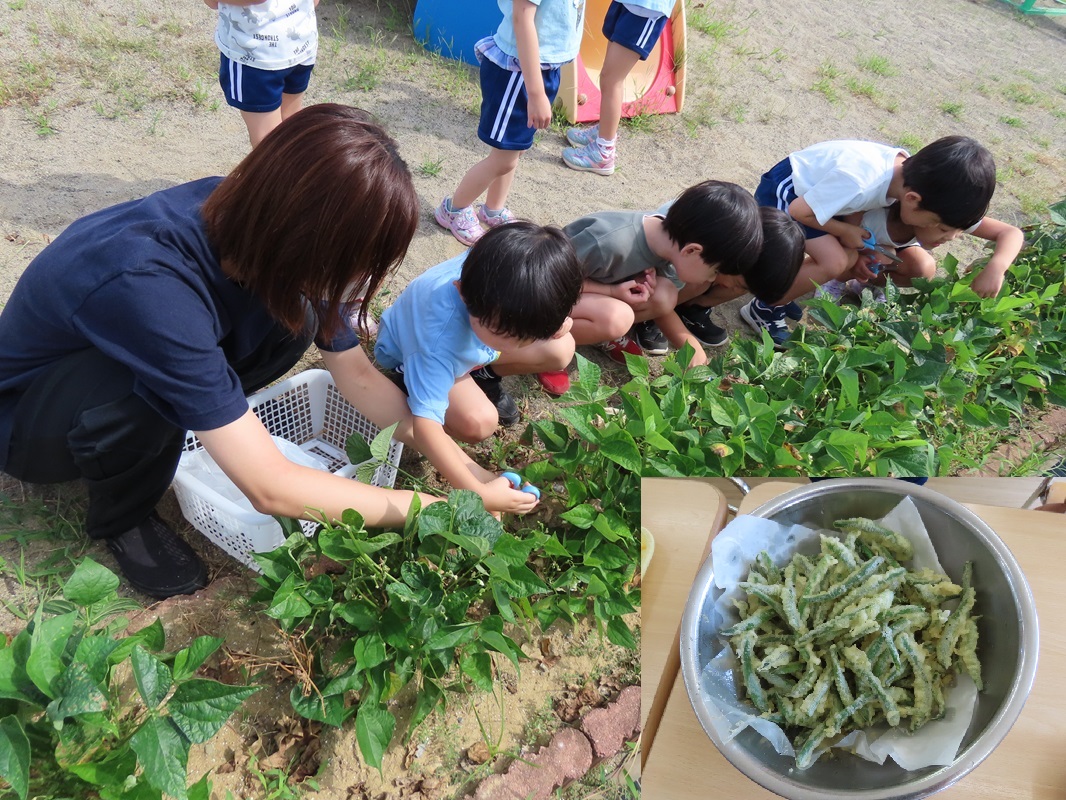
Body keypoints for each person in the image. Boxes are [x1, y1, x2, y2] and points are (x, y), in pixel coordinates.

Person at [0, 105, 438, 599]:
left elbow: (355, 373)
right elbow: (269, 487)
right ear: (306, 241)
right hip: (27, 422)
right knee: (152, 392)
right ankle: (123, 518)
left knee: (296, 320)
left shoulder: (257, 217)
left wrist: (461, 469)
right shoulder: (151, 286)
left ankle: (202, 413)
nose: (354, 284)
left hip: (113, 363)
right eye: (347, 266)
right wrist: (425, 510)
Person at [374, 222, 582, 507]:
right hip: (408, 354)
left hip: (467, 346)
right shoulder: (437, 340)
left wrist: (556, 326)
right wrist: (477, 493)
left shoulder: (506, 265)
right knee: (478, 422)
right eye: (504, 334)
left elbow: (534, 325)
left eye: (526, 336)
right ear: (461, 292)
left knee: (562, 348)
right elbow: (425, 427)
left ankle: (479, 372)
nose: (515, 346)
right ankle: (410, 383)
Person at [741, 135, 997, 347]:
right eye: (934, 224)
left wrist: (852, 234)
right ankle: (764, 307)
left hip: (815, 200)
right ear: (912, 200)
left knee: (845, 256)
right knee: (835, 260)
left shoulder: (905, 175)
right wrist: (843, 231)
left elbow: (857, 205)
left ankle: (783, 295)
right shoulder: (864, 181)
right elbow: (799, 211)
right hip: (785, 193)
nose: (937, 233)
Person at [535, 181, 777, 394]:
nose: (712, 280)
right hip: (545, 293)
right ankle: (544, 344)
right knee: (617, 318)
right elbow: (546, 281)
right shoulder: (609, 243)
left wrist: (689, 347)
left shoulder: (669, 247)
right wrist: (610, 293)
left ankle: (593, 333)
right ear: (692, 250)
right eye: (714, 271)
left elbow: (662, 305)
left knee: (664, 294)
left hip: (585, 293)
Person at [435, 0, 586, 246]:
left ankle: (493, 208)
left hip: (544, 67)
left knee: (515, 148)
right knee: (504, 157)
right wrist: (535, 93)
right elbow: (522, 18)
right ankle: (454, 209)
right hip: (519, 72)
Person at [562, 0, 674, 176]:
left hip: (646, 10)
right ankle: (605, 129)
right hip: (629, 4)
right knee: (608, 74)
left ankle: (603, 152)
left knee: (612, 79)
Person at [835, 203, 1024, 301]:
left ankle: (867, 286)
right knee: (878, 256)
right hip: (854, 243)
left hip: (884, 247)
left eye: (960, 232)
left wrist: (996, 267)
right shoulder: (880, 209)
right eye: (943, 230)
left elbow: (1011, 233)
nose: (951, 237)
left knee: (923, 268)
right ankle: (835, 280)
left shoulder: (954, 215)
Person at [205, 0, 320, 147]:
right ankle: (297, 168)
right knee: (290, 123)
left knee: (266, 141)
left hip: (257, 57)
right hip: (300, 40)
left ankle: (274, 170)